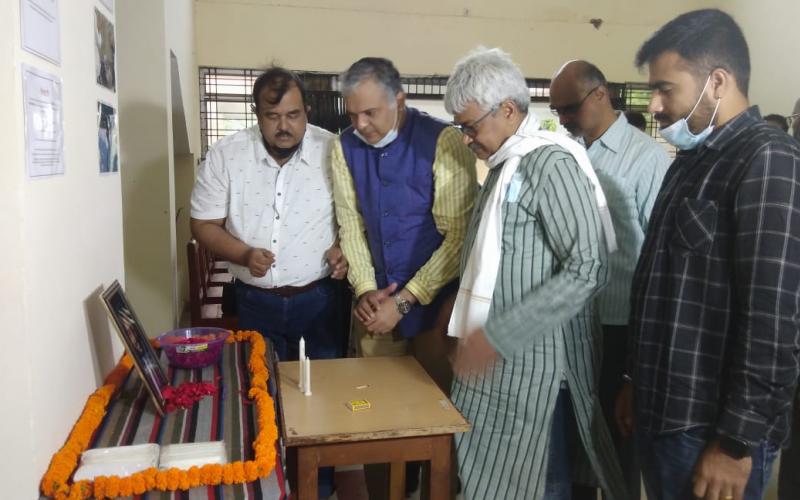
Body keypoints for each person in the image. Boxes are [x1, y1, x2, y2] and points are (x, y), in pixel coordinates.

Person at [616, 9, 800, 500]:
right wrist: (635, 380)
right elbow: (663, 285)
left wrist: (736, 444)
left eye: (665, 88)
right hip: (664, 413)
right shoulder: (691, 162)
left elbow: (773, 318)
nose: (654, 104)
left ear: (717, 81)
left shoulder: (766, 159)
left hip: (710, 432)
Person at [444, 46, 627, 500]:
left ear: (508, 110)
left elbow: (588, 268)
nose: (467, 138)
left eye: (471, 126)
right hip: (498, 368)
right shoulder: (508, 164)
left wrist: (497, 336)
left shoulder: (549, 163)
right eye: (461, 127)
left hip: (537, 370)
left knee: (538, 485)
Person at [190, 67, 348, 497]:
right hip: (255, 300)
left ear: (307, 111)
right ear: (256, 114)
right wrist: (242, 254)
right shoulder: (227, 155)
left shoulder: (332, 151)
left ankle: (321, 486)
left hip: (318, 299)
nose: (285, 126)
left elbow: (354, 217)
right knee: (258, 395)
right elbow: (203, 223)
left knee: (320, 397)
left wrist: (342, 247)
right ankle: (265, 484)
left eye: (294, 115)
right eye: (273, 116)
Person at [331, 57, 476, 498]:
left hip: (435, 308)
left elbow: (458, 238)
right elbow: (350, 226)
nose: (361, 124)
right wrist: (365, 290)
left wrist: (407, 299)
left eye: (371, 112)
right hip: (377, 306)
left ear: (399, 99)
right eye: (352, 113)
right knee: (377, 421)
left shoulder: (443, 141)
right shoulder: (344, 147)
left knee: (437, 421)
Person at [549, 59, 670, 500]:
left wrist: (635, 364)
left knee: (618, 449)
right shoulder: (566, 155)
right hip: (572, 326)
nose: (562, 119)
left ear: (600, 95)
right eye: (556, 110)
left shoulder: (647, 158)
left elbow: (659, 258)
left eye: (569, 108)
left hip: (621, 329)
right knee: (576, 446)